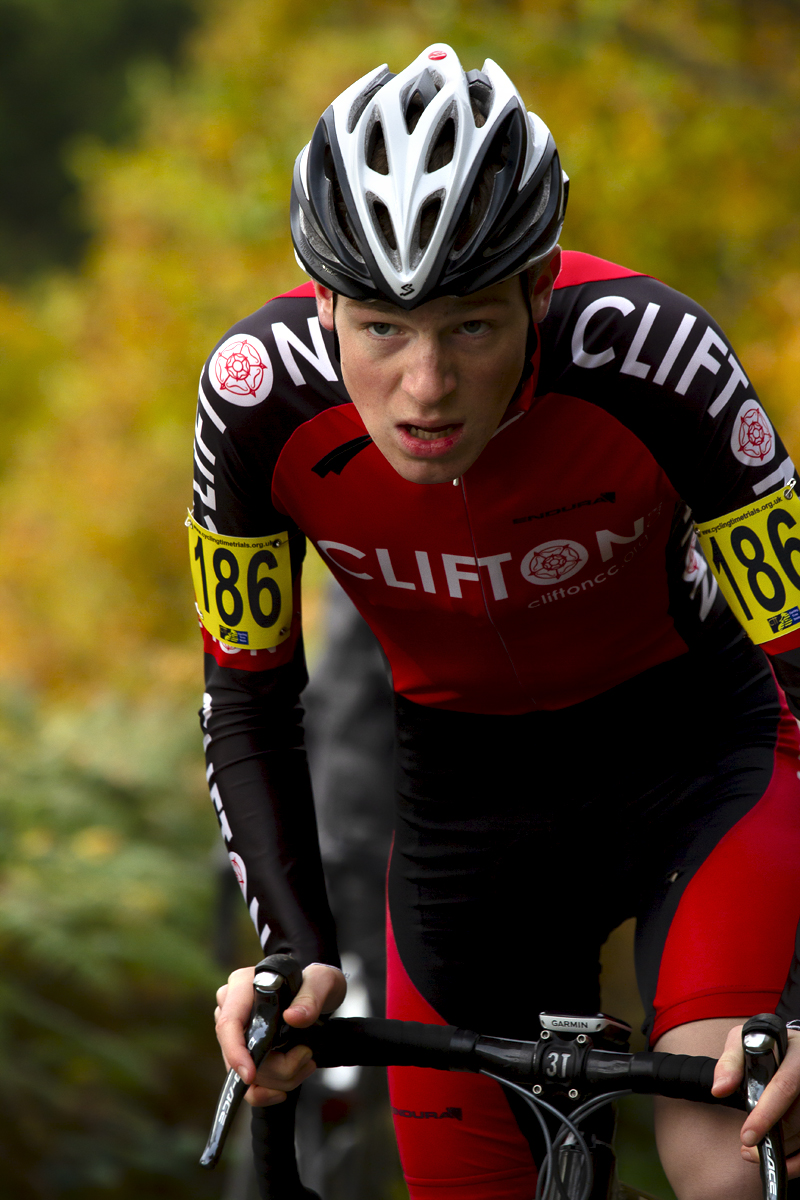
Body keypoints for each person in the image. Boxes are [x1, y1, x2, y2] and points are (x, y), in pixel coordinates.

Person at [192, 44, 800, 1199]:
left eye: (469, 327)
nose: (424, 387)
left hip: (696, 764)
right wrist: (294, 954)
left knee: (725, 1161)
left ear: (536, 288)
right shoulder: (253, 401)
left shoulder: (656, 358)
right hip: (466, 819)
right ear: (321, 306)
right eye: (379, 329)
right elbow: (248, 696)